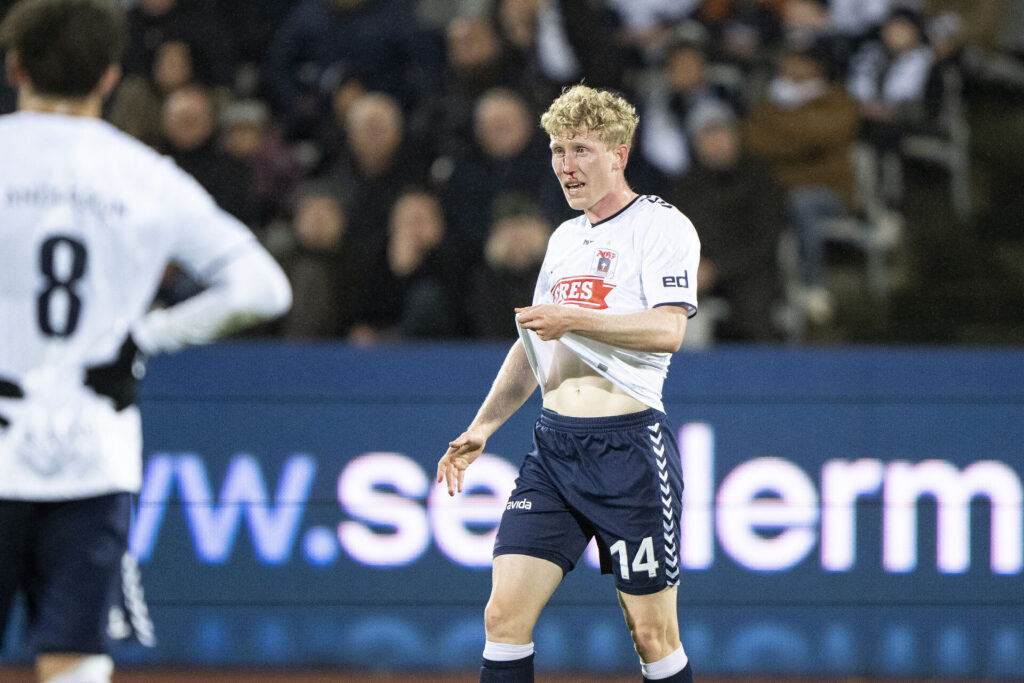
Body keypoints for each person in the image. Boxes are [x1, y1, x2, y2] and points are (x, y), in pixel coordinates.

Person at [0, 2, 292, 683]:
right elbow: (263, 288)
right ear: (108, 75)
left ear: (16, 68)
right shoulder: (146, 176)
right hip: (93, 455)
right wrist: (144, 336)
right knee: (75, 658)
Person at [437, 84, 699, 683]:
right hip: (555, 450)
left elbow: (667, 331)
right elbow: (533, 346)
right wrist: (481, 428)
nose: (566, 165)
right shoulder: (564, 238)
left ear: (619, 154)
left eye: (580, 149)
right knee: (503, 615)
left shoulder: (661, 227)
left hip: (629, 451)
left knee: (651, 633)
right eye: (557, 150)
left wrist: (572, 319)